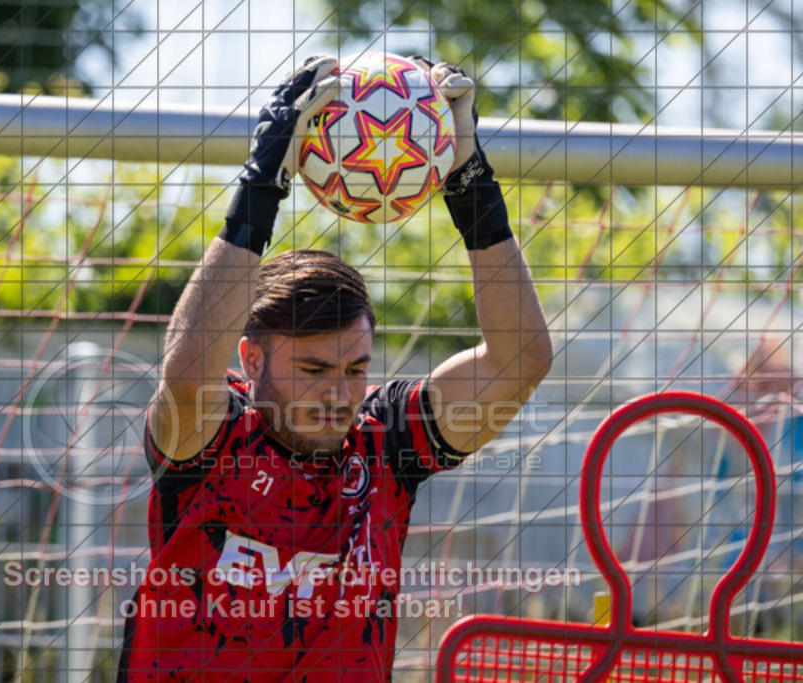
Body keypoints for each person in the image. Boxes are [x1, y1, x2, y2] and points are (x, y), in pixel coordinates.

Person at [116, 54, 552, 681]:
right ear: (250, 357)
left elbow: (520, 362)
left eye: (354, 368)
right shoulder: (211, 438)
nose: (338, 393)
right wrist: (261, 183)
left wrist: (471, 183)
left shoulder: (386, 444)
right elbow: (185, 373)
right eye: (314, 368)